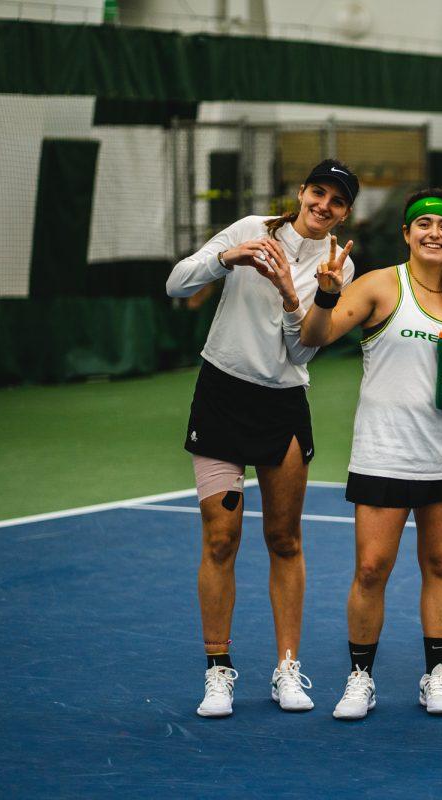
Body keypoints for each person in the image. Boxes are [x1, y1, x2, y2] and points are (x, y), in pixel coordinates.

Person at [165, 158, 359, 718]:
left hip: (282, 407)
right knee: (220, 539)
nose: (323, 205)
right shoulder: (251, 229)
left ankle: (287, 669)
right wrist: (227, 257)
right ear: (301, 192)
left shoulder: (336, 266)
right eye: (317, 192)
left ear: (345, 213)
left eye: (337, 200)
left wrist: (294, 294)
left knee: (284, 540)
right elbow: (177, 284)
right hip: (221, 396)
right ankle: (218, 671)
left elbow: (302, 351)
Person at [298, 189, 442, 720]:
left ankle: (437, 675)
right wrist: (327, 295)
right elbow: (315, 337)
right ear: (406, 233)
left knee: (441, 564)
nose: (434, 233)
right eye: (423, 224)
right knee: (370, 569)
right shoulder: (382, 284)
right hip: (382, 455)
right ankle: (361, 678)